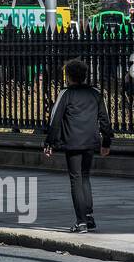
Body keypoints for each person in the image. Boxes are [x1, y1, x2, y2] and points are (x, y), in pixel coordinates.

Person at [43, 57, 114, 233]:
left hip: (72, 142)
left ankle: (80, 221)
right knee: (85, 177)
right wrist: (106, 142)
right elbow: (105, 120)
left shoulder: (65, 94)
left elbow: (55, 120)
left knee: (76, 179)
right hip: (91, 141)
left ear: (68, 76)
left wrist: (49, 142)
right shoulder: (95, 93)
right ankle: (89, 216)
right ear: (84, 75)